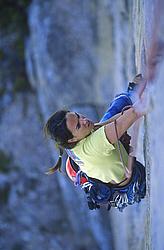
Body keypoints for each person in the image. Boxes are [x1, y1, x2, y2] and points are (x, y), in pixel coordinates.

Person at [44, 74, 147, 210]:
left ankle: (130, 95)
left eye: (78, 116)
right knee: (119, 106)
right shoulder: (94, 144)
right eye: (78, 126)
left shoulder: (70, 145)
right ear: (72, 139)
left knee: (112, 114)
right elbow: (135, 112)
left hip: (116, 181)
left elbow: (106, 124)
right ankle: (131, 94)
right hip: (134, 182)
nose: (84, 120)